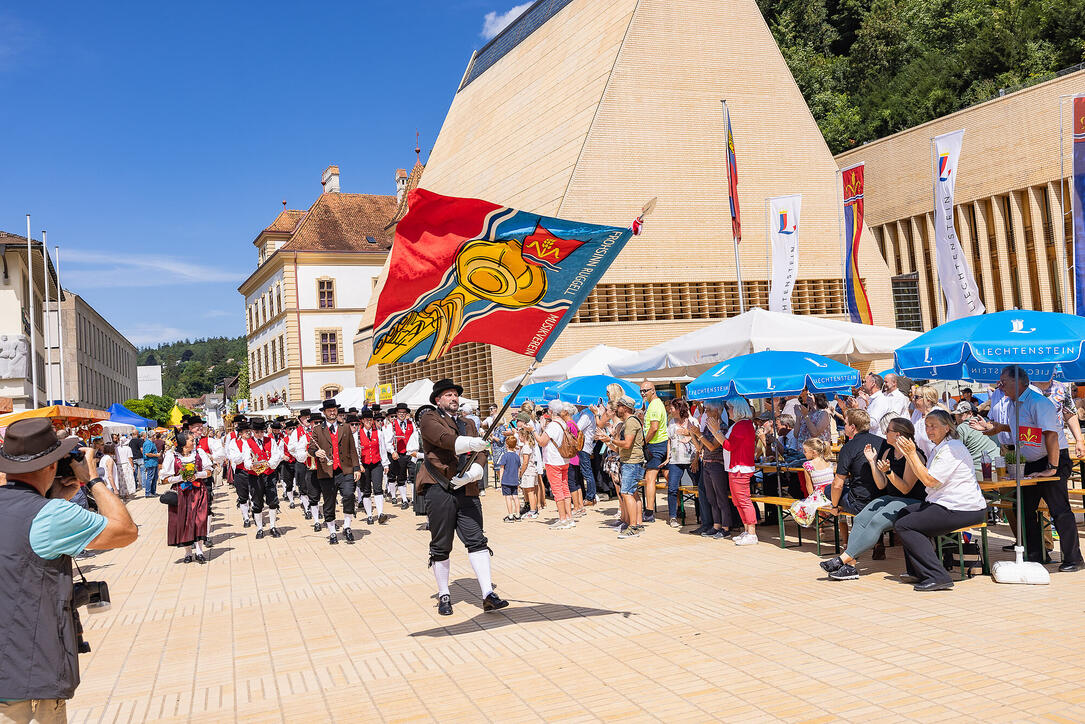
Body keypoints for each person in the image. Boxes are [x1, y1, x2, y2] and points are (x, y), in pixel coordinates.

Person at [0, 418, 138, 720]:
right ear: (52, 465)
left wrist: (52, 496)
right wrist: (92, 479)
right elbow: (125, 531)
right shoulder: (51, 515)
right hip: (30, 679)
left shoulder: (35, 509)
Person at [969, 366, 1083, 572]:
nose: (999, 385)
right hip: (1032, 462)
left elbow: (1051, 435)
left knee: (1059, 511)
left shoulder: (1038, 402)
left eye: (1003, 381)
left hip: (1053, 459)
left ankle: (1074, 559)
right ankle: (1034, 555)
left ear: (1020, 382)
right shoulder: (1014, 403)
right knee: (1022, 508)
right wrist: (993, 428)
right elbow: (1022, 429)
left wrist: (1052, 467)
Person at [415, 379, 507, 615]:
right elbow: (444, 440)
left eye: (455, 395)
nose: (453, 398)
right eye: (447, 395)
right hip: (439, 486)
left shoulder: (468, 423)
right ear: (438, 400)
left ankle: (488, 593)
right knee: (441, 544)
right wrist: (469, 443)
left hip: (466, 488)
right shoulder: (429, 419)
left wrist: (475, 473)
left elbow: (481, 453)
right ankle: (444, 594)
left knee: (477, 539)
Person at [892, 410, 990, 591]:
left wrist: (911, 454)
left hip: (963, 508)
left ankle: (937, 576)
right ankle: (917, 570)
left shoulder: (952, 448)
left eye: (934, 426)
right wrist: (908, 454)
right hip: (945, 503)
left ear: (947, 428)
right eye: (927, 426)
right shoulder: (941, 447)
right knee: (904, 513)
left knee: (906, 525)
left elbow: (929, 480)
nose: (929, 430)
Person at [821, 417, 925, 580]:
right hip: (891, 497)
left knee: (877, 520)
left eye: (888, 430)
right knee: (861, 518)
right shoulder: (887, 451)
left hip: (912, 501)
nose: (884, 433)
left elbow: (906, 489)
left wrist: (890, 472)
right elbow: (881, 484)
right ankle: (850, 565)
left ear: (898, 434)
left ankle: (844, 559)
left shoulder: (913, 455)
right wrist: (872, 462)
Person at [308, 399, 361, 545]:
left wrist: (357, 468)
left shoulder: (345, 428)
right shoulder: (318, 430)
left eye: (334, 410)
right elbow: (311, 448)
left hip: (345, 470)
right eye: (329, 410)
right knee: (329, 502)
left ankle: (348, 526)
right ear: (324, 413)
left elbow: (352, 449)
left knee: (349, 495)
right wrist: (315, 452)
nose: (332, 412)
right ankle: (332, 531)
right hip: (326, 472)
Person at [827, 409, 883, 546]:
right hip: (883, 498)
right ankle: (877, 541)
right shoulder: (883, 442)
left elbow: (838, 484)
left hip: (860, 502)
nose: (844, 426)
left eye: (845, 424)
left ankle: (855, 541)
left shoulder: (848, 448)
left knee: (829, 489)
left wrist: (834, 506)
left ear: (853, 427)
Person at [596, 395, 645, 539]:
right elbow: (619, 449)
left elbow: (627, 444)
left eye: (619, 406)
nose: (616, 409)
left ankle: (633, 526)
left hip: (632, 462)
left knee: (627, 493)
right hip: (629, 460)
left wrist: (611, 439)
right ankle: (638, 524)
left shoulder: (630, 422)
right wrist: (607, 441)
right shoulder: (627, 422)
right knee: (633, 494)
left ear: (625, 408)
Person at [685, 399, 734, 538]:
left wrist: (698, 434)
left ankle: (725, 527)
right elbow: (700, 447)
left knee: (721, 497)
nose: (705, 412)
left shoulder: (722, 427)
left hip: (717, 464)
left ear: (717, 411)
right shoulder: (707, 427)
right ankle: (716, 525)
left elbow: (712, 446)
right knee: (711, 498)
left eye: (708, 410)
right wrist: (693, 433)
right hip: (707, 463)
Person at [161, 431, 212, 563]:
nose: (193, 442)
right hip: (181, 492)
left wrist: (197, 475)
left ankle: (200, 551)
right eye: (191, 440)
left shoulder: (199, 453)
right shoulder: (171, 455)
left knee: (200, 520)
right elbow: (164, 479)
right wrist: (181, 477)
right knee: (184, 521)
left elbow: (209, 472)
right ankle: (188, 552)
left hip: (198, 491)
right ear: (184, 444)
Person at [721, 397, 758, 546]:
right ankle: (747, 530)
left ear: (736, 409)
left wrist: (715, 432)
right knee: (738, 501)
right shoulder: (741, 424)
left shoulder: (742, 425)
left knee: (743, 500)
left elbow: (729, 445)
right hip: (736, 466)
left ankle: (752, 532)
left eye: (729, 408)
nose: (728, 411)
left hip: (740, 467)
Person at [535, 399, 575, 529]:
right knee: (565, 488)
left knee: (557, 490)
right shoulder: (563, 423)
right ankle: (569, 517)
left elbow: (542, 442)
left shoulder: (553, 425)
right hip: (564, 460)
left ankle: (563, 519)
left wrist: (533, 431)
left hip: (553, 460)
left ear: (551, 411)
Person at [242, 419, 283, 539]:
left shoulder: (270, 440)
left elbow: (277, 455)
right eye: (257, 432)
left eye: (261, 431)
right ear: (253, 431)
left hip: (269, 474)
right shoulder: (247, 443)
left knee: (273, 500)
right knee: (257, 502)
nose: (259, 434)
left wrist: (269, 463)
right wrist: (251, 465)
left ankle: (273, 526)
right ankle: (259, 528)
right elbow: (246, 459)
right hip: (255, 476)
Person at [354, 409, 389, 525]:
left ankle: (380, 513)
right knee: (366, 490)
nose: (368, 421)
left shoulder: (378, 433)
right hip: (364, 465)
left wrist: (385, 463)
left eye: (370, 419)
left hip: (376, 463)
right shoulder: (357, 435)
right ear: (362, 421)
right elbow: (355, 452)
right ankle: (369, 515)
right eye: (366, 420)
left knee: (378, 488)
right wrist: (358, 465)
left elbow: (382, 449)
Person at [640, 382, 668, 522]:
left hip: (656, 445)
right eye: (641, 391)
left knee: (650, 479)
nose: (643, 393)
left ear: (653, 390)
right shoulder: (654, 404)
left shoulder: (655, 405)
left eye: (646, 390)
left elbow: (654, 427)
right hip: (662, 443)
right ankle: (676, 511)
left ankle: (649, 512)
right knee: (669, 478)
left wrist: (645, 441)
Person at [665, 399, 695, 528]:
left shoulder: (693, 421)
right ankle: (672, 517)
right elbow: (669, 440)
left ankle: (702, 516)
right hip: (675, 460)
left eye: (672, 408)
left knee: (698, 488)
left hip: (691, 459)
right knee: (672, 488)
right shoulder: (671, 422)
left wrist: (696, 459)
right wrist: (667, 457)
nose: (670, 410)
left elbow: (699, 439)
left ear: (679, 409)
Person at [558, 403, 587, 517]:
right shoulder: (573, 423)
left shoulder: (569, 424)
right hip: (575, 457)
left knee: (572, 483)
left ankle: (576, 506)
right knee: (577, 482)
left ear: (566, 412)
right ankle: (580, 506)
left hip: (570, 457)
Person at [952, 402, 998, 469]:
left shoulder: (962, 427)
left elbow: (956, 454)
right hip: (996, 465)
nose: (957, 418)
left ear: (970, 413)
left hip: (979, 469)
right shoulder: (988, 424)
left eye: (960, 415)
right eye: (957, 415)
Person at [388, 403, 416, 509]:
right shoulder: (392, 425)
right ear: (396, 413)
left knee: (413, 475)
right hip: (399, 454)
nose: (402, 414)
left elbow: (415, 437)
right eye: (400, 412)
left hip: (411, 453)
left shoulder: (411, 423)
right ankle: (404, 500)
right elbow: (388, 442)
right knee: (401, 477)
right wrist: (392, 451)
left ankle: (414, 499)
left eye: (404, 412)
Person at [574, 403, 598, 505]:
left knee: (587, 472)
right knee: (585, 472)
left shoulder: (586, 414)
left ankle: (590, 497)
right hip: (582, 446)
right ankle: (588, 496)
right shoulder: (581, 414)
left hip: (584, 446)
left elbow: (577, 427)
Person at [909, 385, 944, 456]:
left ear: (928, 400)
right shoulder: (916, 412)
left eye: (916, 397)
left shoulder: (938, 413)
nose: (913, 400)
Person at [516, 426, 541, 519]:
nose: (519, 438)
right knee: (529, 491)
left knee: (530, 491)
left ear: (524, 436)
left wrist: (521, 472)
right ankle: (532, 508)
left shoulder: (526, 447)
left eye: (520, 436)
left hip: (528, 471)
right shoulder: (528, 446)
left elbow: (525, 462)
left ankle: (533, 510)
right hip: (531, 471)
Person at [497, 436, 522, 521]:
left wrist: (500, 479)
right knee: (515, 497)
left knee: (508, 497)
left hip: (506, 480)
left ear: (506, 445)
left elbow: (502, 468)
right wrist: (518, 478)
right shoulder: (517, 456)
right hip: (514, 480)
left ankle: (510, 515)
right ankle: (518, 514)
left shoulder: (505, 456)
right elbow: (519, 469)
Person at [861, 373, 891, 437]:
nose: (863, 384)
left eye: (865, 382)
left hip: (878, 439)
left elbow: (873, 423)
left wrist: (858, 418)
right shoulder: (874, 399)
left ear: (873, 383)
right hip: (874, 437)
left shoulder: (880, 400)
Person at [141, 432, 162, 497]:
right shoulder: (148, 443)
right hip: (150, 462)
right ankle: (148, 493)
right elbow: (147, 453)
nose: (155, 437)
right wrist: (156, 455)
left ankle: (153, 492)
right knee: (150, 478)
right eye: (154, 435)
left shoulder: (151, 442)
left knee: (154, 478)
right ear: (152, 436)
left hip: (153, 462)